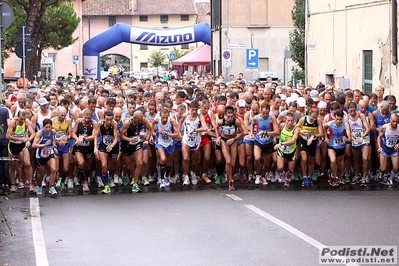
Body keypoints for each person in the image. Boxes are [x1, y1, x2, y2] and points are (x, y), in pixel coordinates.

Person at [216, 106, 247, 190]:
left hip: (233, 140)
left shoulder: (236, 122)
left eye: (231, 117)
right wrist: (218, 137)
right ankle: (230, 180)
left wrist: (234, 139)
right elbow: (216, 128)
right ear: (225, 115)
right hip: (224, 140)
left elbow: (244, 132)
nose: (229, 119)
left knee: (232, 163)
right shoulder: (220, 122)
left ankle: (230, 174)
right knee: (228, 161)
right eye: (228, 117)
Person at [120, 110, 152, 193]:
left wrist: (147, 139)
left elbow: (150, 128)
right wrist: (130, 139)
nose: (139, 122)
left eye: (141, 120)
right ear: (134, 118)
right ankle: (125, 174)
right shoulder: (128, 122)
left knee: (139, 163)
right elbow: (121, 136)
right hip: (127, 144)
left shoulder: (143, 120)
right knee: (128, 165)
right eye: (138, 120)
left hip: (137, 143)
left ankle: (135, 184)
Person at [6, 109, 36, 192]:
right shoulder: (13, 122)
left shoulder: (27, 122)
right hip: (13, 146)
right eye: (21, 119)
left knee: (27, 163)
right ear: (17, 117)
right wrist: (19, 138)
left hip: (22, 146)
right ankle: (12, 184)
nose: (22, 121)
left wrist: (28, 140)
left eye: (24, 119)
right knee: (12, 166)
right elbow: (7, 136)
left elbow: (33, 133)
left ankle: (30, 184)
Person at [72, 109, 100, 192]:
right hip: (79, 147)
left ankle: (87, 177)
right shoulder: (78, 121)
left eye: (88, 118)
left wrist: (83, 138)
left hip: (89, 147)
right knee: (81, 163)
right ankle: (84, 182)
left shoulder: (94, 124)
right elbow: (73, 133)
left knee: (88, 167)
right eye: (85, 118)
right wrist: (77, 139)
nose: (86, 120)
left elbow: (94, 136)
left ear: (91, 117)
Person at [251, 103, 279, 185]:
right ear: (260, 111)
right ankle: (258, 174)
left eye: (267, 113)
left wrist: (267, 133)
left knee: (267, 163)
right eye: (263, 113)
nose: (265, 115)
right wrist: (252, 133)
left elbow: (277, 131)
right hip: (258, 141)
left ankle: (263, 175)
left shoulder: (272, 118)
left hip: (268, 142)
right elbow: (252, 125)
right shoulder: (256, 118)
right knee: (257, 158)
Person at [152, 108, 180, 188]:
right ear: (160, 116)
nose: (164, 119)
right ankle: (161, 179)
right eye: (163, 117)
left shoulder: (172, 121)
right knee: (163, 159)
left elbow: (177, 135)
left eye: (166, 117)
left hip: (170, 143)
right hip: (160, 142)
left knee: (169, 163)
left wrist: (165, 133)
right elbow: (151, 126)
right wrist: (153, 134)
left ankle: (166, 176)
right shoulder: (157, 120)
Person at [296, 108, 325, 186]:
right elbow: (296, 128)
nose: (313, 120)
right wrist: (301, 131)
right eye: (312, 118)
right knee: (304, 158)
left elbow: (321, 133)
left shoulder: (318, 121)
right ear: (308, 115)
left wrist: (313, 136)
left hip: (312, 141)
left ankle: (309, 176)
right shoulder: (303, 119)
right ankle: (304, 176)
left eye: (315, 118)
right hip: (303, 140)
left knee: (311, 160)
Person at [94, 110, 119, 194]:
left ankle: (110, 177)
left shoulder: (114, 124)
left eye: (110, 120)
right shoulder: (100, 124)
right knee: (104, 164)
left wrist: (111, 146)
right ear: (104, 118)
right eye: (107, 119)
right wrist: (95, 147)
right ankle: (106, 185)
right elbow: (96, 136)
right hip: (103, 145)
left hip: (113, 145)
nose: (109, 121)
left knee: (112, 166)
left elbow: (116, 138)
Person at [324, 110, 352, 186]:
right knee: (333, 161)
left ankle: (341, 176)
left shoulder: (345, 124)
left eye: (340, 119)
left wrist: (347, 139)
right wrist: (326, 137)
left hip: (341, 146)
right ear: (334, 118)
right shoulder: (330, 124)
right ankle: (335, 176)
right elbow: (324, 127)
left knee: (339, 163)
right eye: (337, 119)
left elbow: (350, 137)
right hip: (332, 145)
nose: (339, 121)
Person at [274, 112, 300, 187]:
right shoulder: (282, 126)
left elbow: (293, 140)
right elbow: (277, 133)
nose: (290, 123)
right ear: (285, 120)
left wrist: (281, 144)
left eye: (291, 121)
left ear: (294, 120)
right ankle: (282, 174)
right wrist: (275, 138)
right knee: (280, 167)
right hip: (282, 150)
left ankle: (287, 179)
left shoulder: (296, 128)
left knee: (291, 170)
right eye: (288, 120)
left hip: (291, 150)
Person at [32, 118, 58, 196]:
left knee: (53, 169)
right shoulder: (39, 133)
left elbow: (53, 141)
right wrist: (44, 145)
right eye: (46, 127)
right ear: (43, 127)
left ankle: (52, 187)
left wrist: (54, 147)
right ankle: (39, 185)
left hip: (50, 153)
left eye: (49, 127)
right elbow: (34, 145)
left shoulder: (53, 132)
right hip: (40, 155)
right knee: (41, 173)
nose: (48, 129)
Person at [52, 107, 73, 190]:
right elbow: (50, 135)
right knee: (56, 168)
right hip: (56, 145)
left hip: (65, 145)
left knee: (66, 168)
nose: (63, 117)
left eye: (64, 115)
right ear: (57, 114)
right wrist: (58, 140)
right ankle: (56, 181)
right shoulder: (53, 121)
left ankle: (63, 181)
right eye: (61, 115)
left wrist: (65, 139)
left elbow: (70, 134)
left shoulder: (68, 121)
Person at [377, 113, 399, 187]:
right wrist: (379, 147)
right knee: (383, 168)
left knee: (396, 167)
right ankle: (380, 172)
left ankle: (391, 178)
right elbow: (379, 137)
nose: (395, 123)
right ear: (390, 120)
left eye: (396, 121)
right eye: (393, 121)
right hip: (385, 149)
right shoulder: (385, 127)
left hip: (394, 150)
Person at [0, 99, 12, 194]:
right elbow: (9, 124)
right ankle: (6, 183)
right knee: (5, 160)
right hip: (4, 138)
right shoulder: (5, 111)